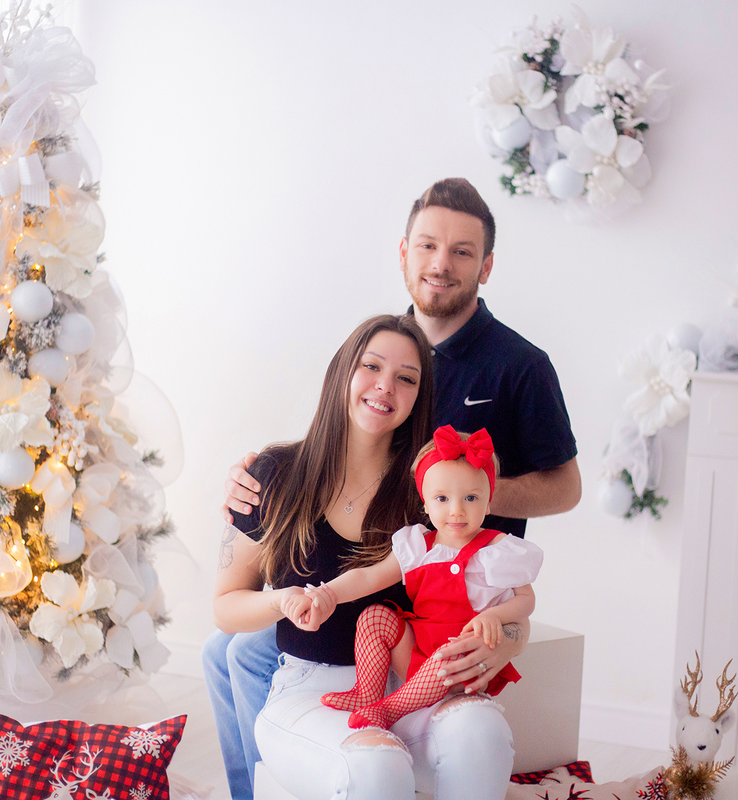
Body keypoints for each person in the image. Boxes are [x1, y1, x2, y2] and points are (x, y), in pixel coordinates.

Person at [205, 178, 580, 799]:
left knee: (249, 655)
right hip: (346, 594)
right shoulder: (385, 341)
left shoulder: (518, 366)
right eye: (428, 245)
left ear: (487, 267)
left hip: (448, 590)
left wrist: (462, 502)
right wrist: (257, 482)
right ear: (403, 252)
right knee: (227, 651)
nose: (441, 263)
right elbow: (326, 448)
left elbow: (564, 489)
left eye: (462, 251)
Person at [213, 314, 518, 800]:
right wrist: (283, 601)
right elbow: (226, 605)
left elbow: (502, 598)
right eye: (371, 366)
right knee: (377, 769)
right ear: (343, 371)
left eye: (406, 378)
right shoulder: (273, 473)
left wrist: (506, 641)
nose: (385, 386)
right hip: (308, 688)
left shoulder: (431, 490)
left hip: (406, 687)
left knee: (480, 733)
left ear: (420, 395)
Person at [283, 425, 543, 732]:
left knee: (454, 648)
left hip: (464, 665)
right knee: (374, 616)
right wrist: (328, 594)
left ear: (489, 502)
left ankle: (391, 708)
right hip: (418, 656)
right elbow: (369, 578)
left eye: (471, 498)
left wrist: (495, 616)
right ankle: (367, 693)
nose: (457, 510)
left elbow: (527, 600)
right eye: (442, 498)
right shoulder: (419, 546)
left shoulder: (498, 549)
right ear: (425, 503)